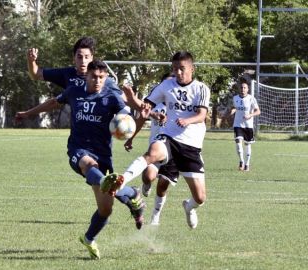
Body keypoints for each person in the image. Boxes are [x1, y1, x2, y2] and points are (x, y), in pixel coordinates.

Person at [15, 60, 145, 259]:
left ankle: (90, 237)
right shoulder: (74, 91)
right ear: (87, 76)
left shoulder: (112, 97)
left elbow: (127, 118)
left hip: (103, 155)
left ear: (106, 78)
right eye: (94, 77)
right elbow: (53, 102)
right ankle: (110, 184)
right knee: (88, 165)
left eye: (102, 77)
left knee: (106, 209)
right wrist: (28, 113)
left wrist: (136, 115)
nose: (98, 81)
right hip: (78, 149)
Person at [101, 51, 211, 230]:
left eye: (182, 68)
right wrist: (134, 101)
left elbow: (202, 115)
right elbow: (146, 106)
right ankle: (123, 179)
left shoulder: (201, 88)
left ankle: (189, 207)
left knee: (200, 198)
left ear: (192, 68)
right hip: (169, 137)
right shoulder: (167, 85)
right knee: (152, 154)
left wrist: (187, 120)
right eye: (175, 69)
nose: (178, 72)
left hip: (191, 146)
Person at [124, 74, 179, 226]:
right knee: (148, 176)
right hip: (156, 148)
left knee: (162, 185)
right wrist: (131, 138)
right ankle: (146, 186)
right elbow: (141, 118)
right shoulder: (153, 104)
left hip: (175, 151)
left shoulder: (179, 105)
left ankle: (156, 215)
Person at [230, 80, 261, 171]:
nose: (243, 89)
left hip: (248, 125)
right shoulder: (235, 98)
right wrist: (233, 110)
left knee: (247, 144)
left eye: (244, 88)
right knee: (238, 142)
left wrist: (250, 115)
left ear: (247, 89)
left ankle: (247, 164)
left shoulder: (251, 98)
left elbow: (258, 111)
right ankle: (241, 161)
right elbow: (234, 107)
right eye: (241, 87)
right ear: (239, 89)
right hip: (238, 124)